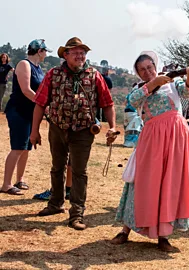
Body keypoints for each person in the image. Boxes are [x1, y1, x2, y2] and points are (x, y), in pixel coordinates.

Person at [111, 51, 189, 252]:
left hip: (176, 138)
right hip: (152, 140)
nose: (147, 72)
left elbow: (188, 92)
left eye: (150, 67)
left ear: (155, 66)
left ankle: (163, 236)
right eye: (142, 70)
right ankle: (125, 230)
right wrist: (153, 83)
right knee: (141, 183)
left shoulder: (173, 84)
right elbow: (132, 100)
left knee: (170, 183)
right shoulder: (140, 90)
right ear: (139, 74)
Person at [30, 37, 117, 230]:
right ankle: (55, 204)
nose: (80, 56)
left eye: (83, 52)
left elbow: (108, 103)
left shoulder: (94, 75)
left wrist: (111, 126)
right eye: (76, 52)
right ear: (66, 55)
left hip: (83, 131)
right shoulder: (53, 74)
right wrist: (34, 131)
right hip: (57, 127)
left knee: (79, 172)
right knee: (57, 167)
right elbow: (40, 103)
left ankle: (76, 214)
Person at [0, 40, 49, 196]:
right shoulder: (24, 64)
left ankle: (19, 179)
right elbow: (26, 90)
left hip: (30, 112)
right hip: (18, 110)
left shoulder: (38, 68)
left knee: (26, 147)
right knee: (18, 147)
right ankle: (6, 184)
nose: (46, 54)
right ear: (39, 51)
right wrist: (44, 105)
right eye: (45, 51)